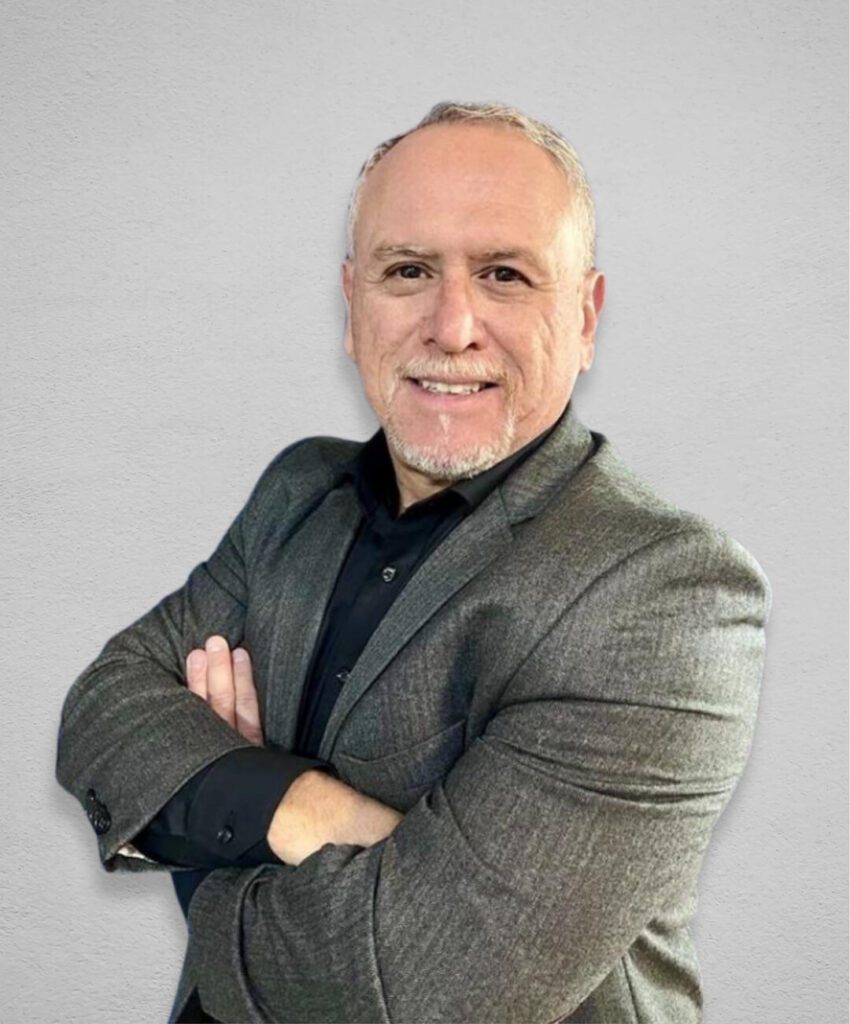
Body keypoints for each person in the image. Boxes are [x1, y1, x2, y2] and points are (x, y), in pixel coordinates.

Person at [55, 101, 771, 1024]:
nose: (453, 325)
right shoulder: (296, 494)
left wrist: (205, 835)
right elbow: (105, 705)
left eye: (505, 274)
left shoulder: (669, 594)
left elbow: (423, 992)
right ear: (354, 306)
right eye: (408, 271)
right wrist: (303, 810)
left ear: (585, 317)